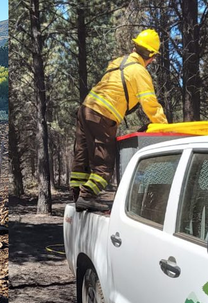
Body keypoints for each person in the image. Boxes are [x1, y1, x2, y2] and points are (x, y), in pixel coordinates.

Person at [70, 29, 168, 211]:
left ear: (135, 47)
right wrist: (164, 128)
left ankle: (77, 195)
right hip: (102, 114)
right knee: (104, 161)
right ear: (151, 55)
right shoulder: (139, 71)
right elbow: (150, 104)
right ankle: (87, 196)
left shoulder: (119, 63)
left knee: (82, 155)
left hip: (85, 109)